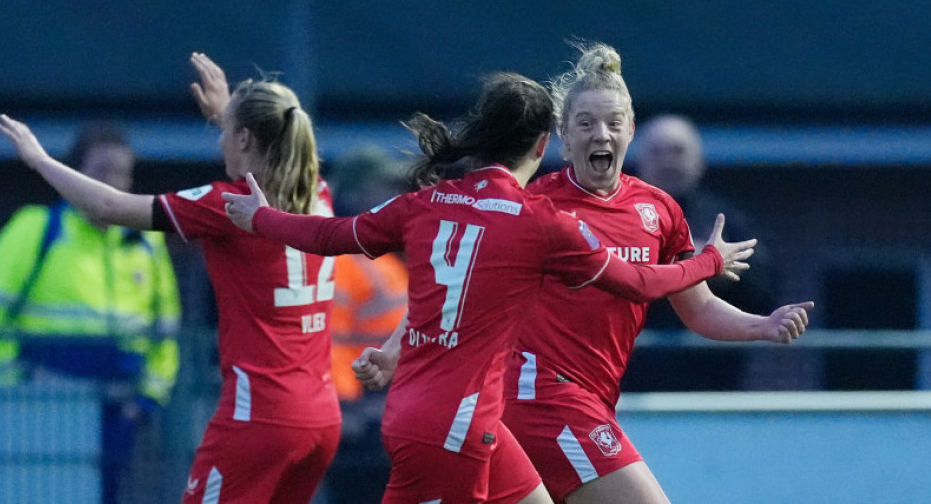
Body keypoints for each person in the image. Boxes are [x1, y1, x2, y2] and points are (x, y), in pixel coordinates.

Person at [221, 71, 756, 504]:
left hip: (408, 412)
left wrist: (261, 217)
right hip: (471, 415)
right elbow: (639, 281)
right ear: (549, 141)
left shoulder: (429, 202)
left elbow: (332, 233)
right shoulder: (538, 219)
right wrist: (708, 260)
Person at [351, 46, 813, 504]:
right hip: (538, 394)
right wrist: (395, 350)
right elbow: (459, 290)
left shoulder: (659, 211)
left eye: (613, 123)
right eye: (586, 123)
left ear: (630, 131)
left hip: (589, 401)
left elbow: (698, 309)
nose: (601, 134)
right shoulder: (534, 207)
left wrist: (763, 325)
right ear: (563, 136)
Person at [0, 52, 341, 504]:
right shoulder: (317, 192)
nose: (219, 145)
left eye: (225, 134)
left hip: (261, 417)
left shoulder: (228, 206)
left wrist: (40, 160)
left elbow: (109, 207)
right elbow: (275, 149)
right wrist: (228, 115)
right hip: (321, 417)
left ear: (243, 137)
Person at [0, 125, 178, 504]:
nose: (112, 182)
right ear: (74, 173)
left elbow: (165, 330)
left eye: (122, 173)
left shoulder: (146, 241)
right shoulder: (35, 228)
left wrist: (146, 401)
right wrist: (13, 388)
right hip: (50, 394)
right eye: (101, 171)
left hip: (121, 400)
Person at [625, 113, 782, 391]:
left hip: (710, 385)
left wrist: (717, 267)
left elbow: (765, 289)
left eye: (677, 151)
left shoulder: (726, 221)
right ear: (639, 163)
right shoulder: (611, 217)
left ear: (699, 162)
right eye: (657, 152)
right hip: (630, 385)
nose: (667, 161)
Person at [322, 148, 409, 504]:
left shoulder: (383, 258)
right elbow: (331, 342)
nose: (395, 196)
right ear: (356, 195)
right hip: (358, 426)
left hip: (388, 415)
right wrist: (344, 412)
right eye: (383, 187)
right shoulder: (341, 259)